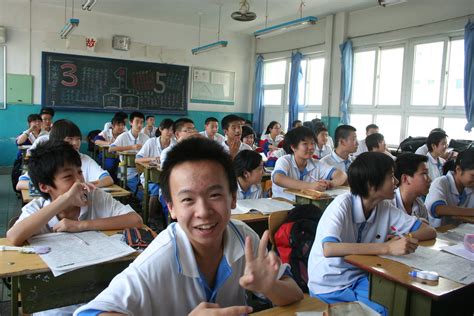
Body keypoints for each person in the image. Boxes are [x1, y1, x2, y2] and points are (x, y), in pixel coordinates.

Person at [74, 137, 303, 315]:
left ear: (233, 197)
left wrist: (269, 286)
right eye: (188, 200)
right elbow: (94, 312)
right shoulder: (160, 257)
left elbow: (294, 293)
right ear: (171, 208)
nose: (203, 212)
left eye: (214, 194)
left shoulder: (242, 237)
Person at [7, 141, 143, 315]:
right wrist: (65, 199)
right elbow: (14, 236)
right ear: (44, 186)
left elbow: (135, 220)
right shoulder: (37, 208)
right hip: (53, 302)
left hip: (99, 294)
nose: (79, 182)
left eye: (80, 172)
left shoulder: (96, 197)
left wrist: (81, 225)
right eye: (68, 177)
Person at [307, 152, 436, 315]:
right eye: (391, 177)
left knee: (392, 307)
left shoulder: (385, 208)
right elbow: (330, 249)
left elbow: (428, 231)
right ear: (371, 184)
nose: (395, 182)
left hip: (358, 278)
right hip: (328, 285)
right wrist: (387, 248)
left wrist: (406, 238)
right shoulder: (341, 204)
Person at [16, 119, 114, 190]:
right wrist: (56, 187)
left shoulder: (84, 159)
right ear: (56, 141)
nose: (76, 143)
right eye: (70, 139)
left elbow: (107, 179)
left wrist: (84, 186)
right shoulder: (46, 160)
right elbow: (21, 184)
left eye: (78, 139)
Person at [272, 126, 347, 201]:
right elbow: (278, 179)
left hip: (306, 207)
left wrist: (330, 183)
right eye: (305, 144)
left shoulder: (316, 163)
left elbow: (341, 175)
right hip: (282, 206)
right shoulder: (284, 160)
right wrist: (310, 186)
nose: (311, 147)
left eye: (313, 143)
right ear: (293, 147)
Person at [136, 118, 175, 225]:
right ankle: (151, 219)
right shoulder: (151, 142)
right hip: (150, 178)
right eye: (168, 130)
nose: (170, 133)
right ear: (161, 129)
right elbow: (137, 159)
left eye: (172, 130)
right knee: (156, 190)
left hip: (167, 178)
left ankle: (166, 218)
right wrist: (153, 158)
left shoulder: (174, 144)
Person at [425, 148, 474, 227]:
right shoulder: (441, 183)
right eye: (473, 175)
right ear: (458, 170)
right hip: (438, 234)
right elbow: (438, 209)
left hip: (460, 233)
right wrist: (471, 212)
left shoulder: (470, 186)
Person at [109, 111, 149, 194]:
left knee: (150, 188)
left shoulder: (145, 138)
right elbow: (111, 149)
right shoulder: (124, 136)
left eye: (142, 122)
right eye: (137, 122)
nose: (139, 125)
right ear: (131, 122)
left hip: (142, 169)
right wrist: (131, 147)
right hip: (124, 169)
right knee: (142, 194)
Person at [393, 153, 431, 221]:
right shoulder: (390, 204)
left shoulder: (419, 205)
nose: (430, 179)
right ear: (405, 179)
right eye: (424, 173)